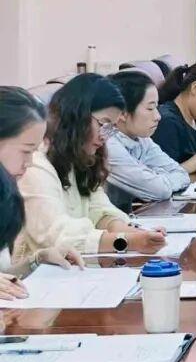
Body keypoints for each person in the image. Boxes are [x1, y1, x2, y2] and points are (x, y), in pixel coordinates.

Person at [17, 75, 166, 257]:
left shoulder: (80, 157)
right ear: (77, 116)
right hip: (33, 271)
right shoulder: (35, 163)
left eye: (111, 128)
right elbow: (56, 236)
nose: (105, 136)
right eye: (103, 124)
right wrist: (128, 241)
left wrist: (136, 233)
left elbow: (100, 211)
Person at [0, 88, 82, 300]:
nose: (29, 163)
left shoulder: (5, 196)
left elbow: (3, 280)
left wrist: (37, 260)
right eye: (26, 151)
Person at [104, 70, 191, 212]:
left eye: (156, 107)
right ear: (122, 113)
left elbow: (181, 174)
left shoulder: (142, 139)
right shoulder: (108, 146)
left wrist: (155, 177)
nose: (158, 116)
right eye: (150, 108)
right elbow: (159, 190)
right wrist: (157, 176)